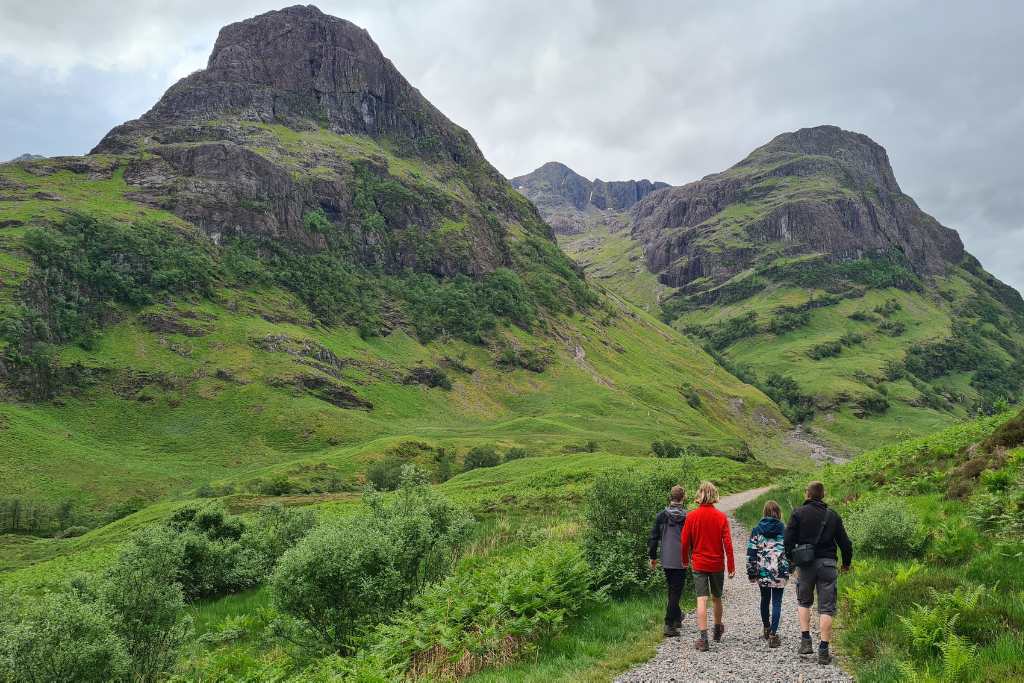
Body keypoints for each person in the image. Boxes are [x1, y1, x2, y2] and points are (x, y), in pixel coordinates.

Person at [784, 481, 853, 665]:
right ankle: (823, 650)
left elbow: (787, 540)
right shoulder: (833, 516)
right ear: (823, 494)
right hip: (828, 565)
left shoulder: (798, 513)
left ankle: (806, 641)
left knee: (804, 602)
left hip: (805, 565)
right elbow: (846, 544)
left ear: (808, 494)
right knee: (826, 607)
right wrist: (846, 564)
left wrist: (791, 558)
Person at [680, 481, 734, 652]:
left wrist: (685, 560)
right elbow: (728, 544)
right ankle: (717, 629)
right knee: (717, 597)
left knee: (701, 599)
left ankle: (703, 639)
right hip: (717, 563)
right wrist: (731, 565)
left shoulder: (691, 516)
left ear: (700, 495)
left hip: (699, 563)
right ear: (714, 495)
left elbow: (684, 542)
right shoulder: (721, 517)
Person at [746, 500, 790, 648]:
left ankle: (766, 627)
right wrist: (791, 568)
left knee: (765, 599)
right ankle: (773, 634)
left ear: (764, 513)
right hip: (780, 571)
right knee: (777, 602)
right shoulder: (784, 530)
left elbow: (751, 552)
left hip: (763, 571)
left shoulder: (757, 530)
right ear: (779, 513)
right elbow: (790, 551)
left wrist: (751, 572)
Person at [647, 484, 688, 636]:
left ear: (670, 497)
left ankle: (677, 617)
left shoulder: (661, 516)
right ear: (683, 498)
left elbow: (653, 538)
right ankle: (669, 624)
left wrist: (652, 557)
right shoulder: (687, 516)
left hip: (666, 558)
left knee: (672, 589)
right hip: (682, 559)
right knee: (675, 591)